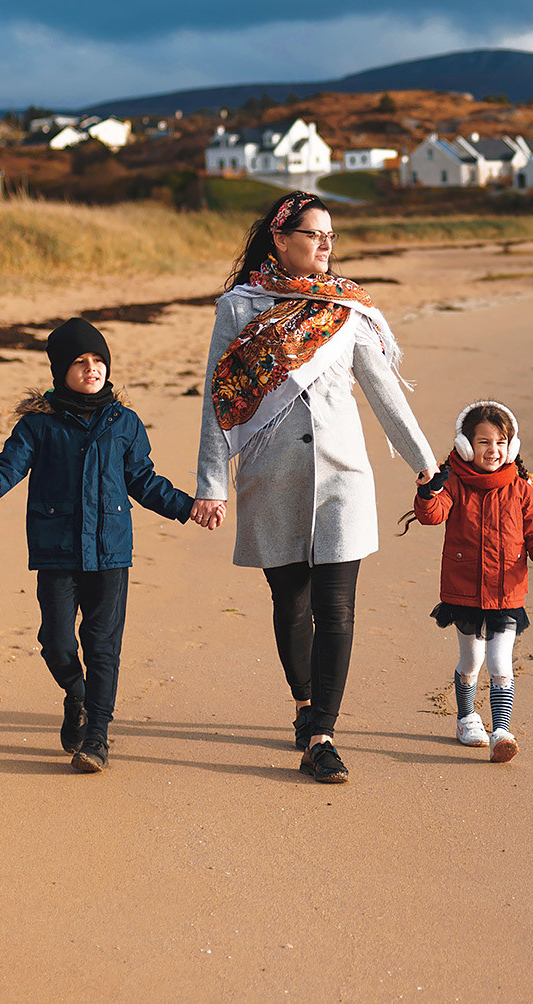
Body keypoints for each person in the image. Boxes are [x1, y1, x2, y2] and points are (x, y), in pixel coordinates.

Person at [193, 192, 438, 784]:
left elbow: (384, 393)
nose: (327, 244)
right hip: (270, 474)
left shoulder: (348, 308)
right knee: (291, 603)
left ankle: (323, 735)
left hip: (343, 476)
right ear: (281, 239)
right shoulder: (240, 306)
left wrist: (428, 465)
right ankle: (304, 704)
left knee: (337, 609)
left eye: (331, 234)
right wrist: (210, 484)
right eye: (314, 234)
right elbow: (218, 397)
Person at [0, 318, 203, 772]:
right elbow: (4, 471)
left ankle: (97, 738)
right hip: (57, 552)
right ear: (60, 372)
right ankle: (77, 695)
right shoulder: (38, 426)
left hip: (110, 552)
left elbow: (143, 480)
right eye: (81, 363)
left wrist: (188, 507)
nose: (92, 369)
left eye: (99, 361)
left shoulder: (123, 423)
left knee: (103, 645)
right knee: (57, 642)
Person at [409, 400, 533, 762]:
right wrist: (427, 493)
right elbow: (433, 516)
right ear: (466, 446)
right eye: (484, 442)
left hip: (507, 593)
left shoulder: (520, 488)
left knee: (501, 663)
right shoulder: (451, 481)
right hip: (465, 591)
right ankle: (467, 717)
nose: (493, 450)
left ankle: (501, 729)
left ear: (511, 447)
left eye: (501, 442)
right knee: (471, 661)